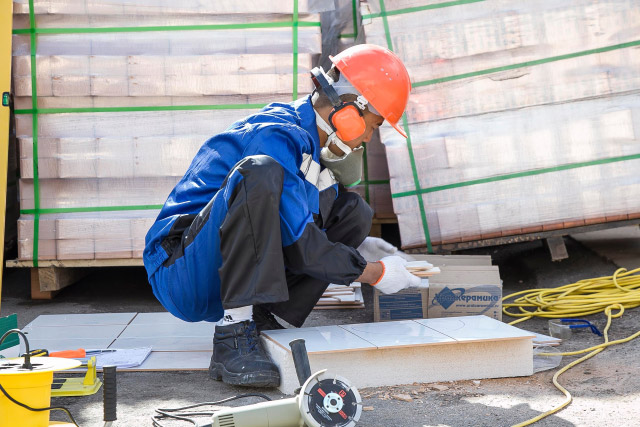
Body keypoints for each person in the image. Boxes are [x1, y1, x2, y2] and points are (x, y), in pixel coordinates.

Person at [143, 44, 421, 388]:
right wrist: (375, 273)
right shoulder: (275, 136)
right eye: (373, 126)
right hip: (181, 270)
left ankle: (265, 318)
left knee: (353, 213)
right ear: (350, 109)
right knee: (259, 172)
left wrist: (361, 245)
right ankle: (233, 335)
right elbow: (302, 244)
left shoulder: (310, 144)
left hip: (214, 263)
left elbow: (311, 228)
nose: (367, 137)